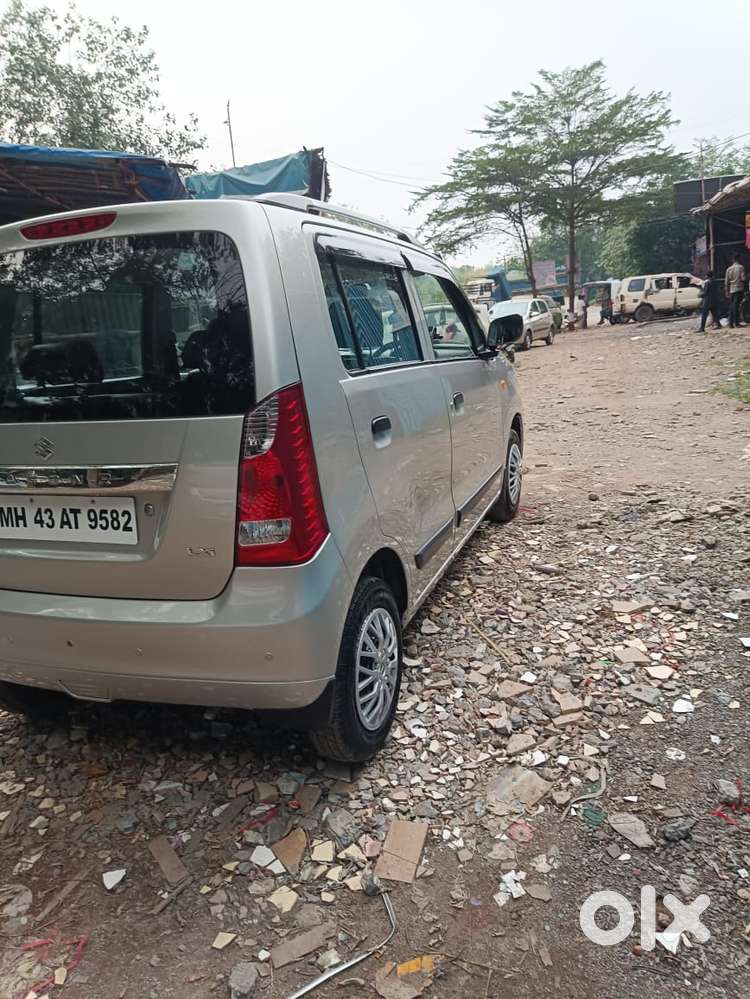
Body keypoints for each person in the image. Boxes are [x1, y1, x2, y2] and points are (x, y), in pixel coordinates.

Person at [725, 253, 747, 328]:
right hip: (739, 289)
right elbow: (743, 278)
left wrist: (726, 291)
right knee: (736, 307)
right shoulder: (741, 267)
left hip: (731, 290)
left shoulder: (729, 269)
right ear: (739, 259)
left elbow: (726, 281)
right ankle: (736, 323)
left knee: (731, 306)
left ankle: (731, 323)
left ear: (732, 260)